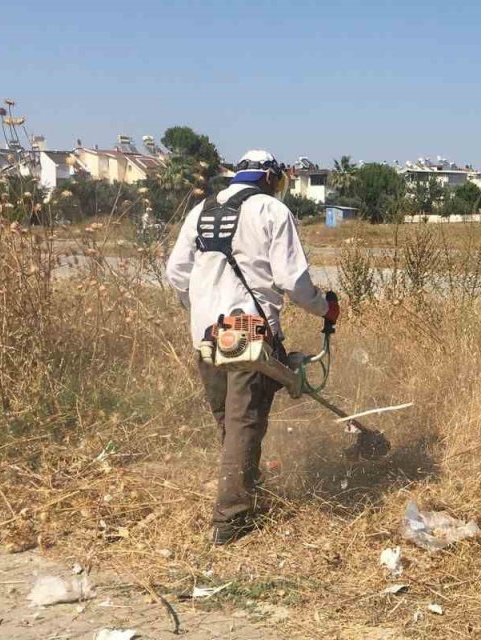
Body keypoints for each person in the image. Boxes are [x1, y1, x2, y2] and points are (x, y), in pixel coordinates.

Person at [165, 150, 339, 545]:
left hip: (205, 331)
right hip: (247, 331)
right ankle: (232, 519)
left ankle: (248, 486)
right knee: (245, 422)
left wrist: (201, 309)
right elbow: (294, 283)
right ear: (272, 178)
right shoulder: (271, 212)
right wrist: (324, 308)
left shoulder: (199, 212)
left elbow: (177, 273)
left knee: (229, 419)